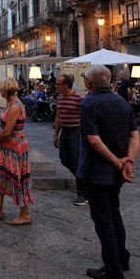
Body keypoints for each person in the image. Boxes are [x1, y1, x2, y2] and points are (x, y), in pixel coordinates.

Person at [78, 64, 140, 279]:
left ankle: (113, 270)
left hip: (96, 170)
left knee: (103, 219)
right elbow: (134, 135)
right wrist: (128, 162)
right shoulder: (121, 102)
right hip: (116, 172)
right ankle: (122, 258)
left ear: (89, 83)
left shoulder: (88, 103)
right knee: (114, 213)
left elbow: (94, 140)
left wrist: (116, 161)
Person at [0, 77, 33, 225]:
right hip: (8, 146)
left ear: (5, 89)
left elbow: (8, 131)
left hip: (15, 147)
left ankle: (25, 215)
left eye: (0, 88)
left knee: (18, 178)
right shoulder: (10, 103)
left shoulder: (15, 106)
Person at [53, 74, 88, 205]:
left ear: (66, 85)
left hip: (76, 132)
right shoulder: (60, 98)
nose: (55, 86)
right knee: (64, 159)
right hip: (65, 132)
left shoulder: (79, 98)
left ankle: (82, 194)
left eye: (58, 84)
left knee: (76, 160)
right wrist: (56, 133)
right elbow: (58, 116)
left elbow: (86, 117)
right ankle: (84, 179)